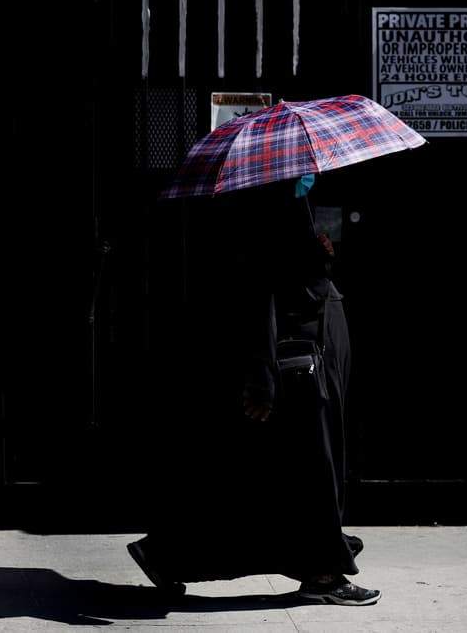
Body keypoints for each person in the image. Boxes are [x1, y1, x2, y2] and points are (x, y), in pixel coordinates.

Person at [126, 178, 379, 606]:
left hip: (307, 357)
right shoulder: (271, 207)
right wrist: (261, 379)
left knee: (265, 476)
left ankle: (170, 553)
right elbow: (260, 292)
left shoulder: (287, 204)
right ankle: (322, 572)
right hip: (299, 364)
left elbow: (292, 277)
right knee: (309, 472)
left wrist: (319, 258)